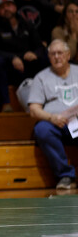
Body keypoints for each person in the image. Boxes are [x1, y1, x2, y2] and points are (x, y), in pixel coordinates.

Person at [29, 39, 78, 190]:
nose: (57, 57)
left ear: (68, 55)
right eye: (53, 54)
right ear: (49, 57)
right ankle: (66, 176)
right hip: (56, 123)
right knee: (42, 129)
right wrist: (52, 118)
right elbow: (34, 109)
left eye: (60, 53)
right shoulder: (41, 77)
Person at [0, 0, 48, 111]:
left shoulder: (27, 25)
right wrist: (13, 57)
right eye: (2, 7)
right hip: (10, 68)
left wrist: (35, 54)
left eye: (8, 5)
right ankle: (6, 104)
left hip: (28, 64)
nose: (6, 9)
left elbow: (40, 46)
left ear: (15, 7)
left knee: (46, 58)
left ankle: (50, 100)